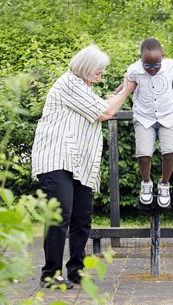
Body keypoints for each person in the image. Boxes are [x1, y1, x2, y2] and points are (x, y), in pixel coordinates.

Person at [31, 45, 135, 289]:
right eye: (99, 70)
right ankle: (50, 274)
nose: (101, 74)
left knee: (82, 217)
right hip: (57, 158)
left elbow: (104, 103)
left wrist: (122, 89)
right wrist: (128, 88)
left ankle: (76, 270)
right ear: (87, 68)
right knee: (60, 215)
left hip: (78, 162)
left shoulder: (83, 87)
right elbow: (107, 111)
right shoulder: (69, 83)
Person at [113, 38, 173, 207]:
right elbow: (125, 87)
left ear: (163, 57)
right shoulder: (134, 70)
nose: (152, 69)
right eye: (147, 65)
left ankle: (164, 184)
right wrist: (113, 96)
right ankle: (146, 183)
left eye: (156, 65)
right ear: (140, 58)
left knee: (171, 152)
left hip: (168, 116)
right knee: (143, 154)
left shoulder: (169, 66)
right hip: (144, 117)